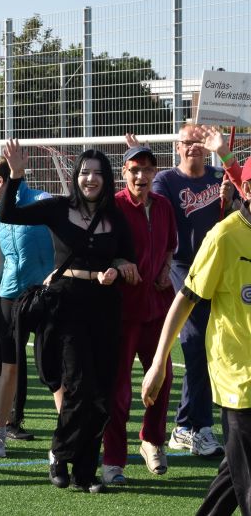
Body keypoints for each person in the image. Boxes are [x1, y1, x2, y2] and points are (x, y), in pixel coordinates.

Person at [0, 139, 137, 493]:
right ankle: (59, 454)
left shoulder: (114, 218)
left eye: (97, 174)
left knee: (102, 393)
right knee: (78, 387)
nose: (90, 179)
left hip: (105, 307)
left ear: (107, 179)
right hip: (67, 306)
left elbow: (127, 258)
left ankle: (86, 470)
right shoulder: (57, 208)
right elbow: (8, 214)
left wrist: (117, 270)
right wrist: (16, 176)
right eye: (85, 173)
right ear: (76, 176)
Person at [142, 155, 251, 516]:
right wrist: (159, 362)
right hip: (238, 377)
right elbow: (184, 301)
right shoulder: (223, 237)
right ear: (246, 190)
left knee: (235, 471)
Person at [152, 123, 235, 457]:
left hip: (219, 268)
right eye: (188, 143)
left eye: (199, 143)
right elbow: (156, 221)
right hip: (183, 267)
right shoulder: (167, 181)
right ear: (177, 146)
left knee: (214, 344)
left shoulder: (219, 178)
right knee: (194, 341)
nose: (194, 148)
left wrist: (229, 199)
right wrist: (159, 265)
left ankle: (191, 424)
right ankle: (191, 426)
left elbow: (235, 213)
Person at [101, 140, 177, 485]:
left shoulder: (162, 206)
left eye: (147, 169)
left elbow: (170, 245)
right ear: (124, 173)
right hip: (121, 311)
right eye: (135, 169)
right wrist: (118, 262)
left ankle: (152, 440)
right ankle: (114, 460)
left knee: (163, 377)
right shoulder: (112, 206)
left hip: (157, 307)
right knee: (119, 390)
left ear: (154, 173)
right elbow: (101, 250)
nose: (141, 175)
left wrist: (163, 269)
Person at [0, 155, 53, 456]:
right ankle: (0, 430)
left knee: (53, 368)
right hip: (9, 299)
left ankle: (65, 437)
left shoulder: (42, 200)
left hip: (45, 296)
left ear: (0, 182)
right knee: (8, 367)